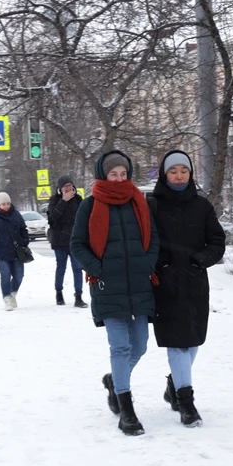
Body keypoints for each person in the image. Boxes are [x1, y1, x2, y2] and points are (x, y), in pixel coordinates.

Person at [70, 150, 159, 436]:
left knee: (141, 345)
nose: (119, 179)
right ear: (103, 175)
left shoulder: (139, 202)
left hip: (139, 284)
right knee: (120, 347)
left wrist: (148, 263)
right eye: (114, 174)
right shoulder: (90, 204)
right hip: (108, 287)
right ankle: (127, 410)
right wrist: (99, 268)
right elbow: (77, 244)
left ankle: (113, 380)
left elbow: (153, 238)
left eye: (123, 174)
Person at [149, 150, 225, 427]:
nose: (179, 175)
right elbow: (145, 243)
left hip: (195, 282)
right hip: (165, 285)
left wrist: (200, 261)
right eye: (173, 171)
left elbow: (217, 241)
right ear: (164, 174)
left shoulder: (202, 206)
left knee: (193, 342)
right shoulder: (152, 205)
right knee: (177, 343)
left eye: (184, 170)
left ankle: (174, 384)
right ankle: (186, 402)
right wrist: (161, 266)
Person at [0, 192, 29, 311]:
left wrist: (24, 241)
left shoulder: (16, 215)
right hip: (0, 253)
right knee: (5, 274)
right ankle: (6, 297)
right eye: (3, 204)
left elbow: (23, 229)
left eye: (8, 203)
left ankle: (12, 293)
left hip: (16, 251)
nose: (6, 206)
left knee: (19, 275)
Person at [47, 176, 86, 307]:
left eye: (70, 185)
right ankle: (59, 293)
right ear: (60, 188)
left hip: (75, 240)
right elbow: (53, 217)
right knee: (61, 268)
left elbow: (84, 218)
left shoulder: (78, 199)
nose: (68, 188)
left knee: (77, 268)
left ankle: (79, 296)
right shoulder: (54, 200)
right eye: (65, 186)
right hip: (59, 241)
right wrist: (63, 201)